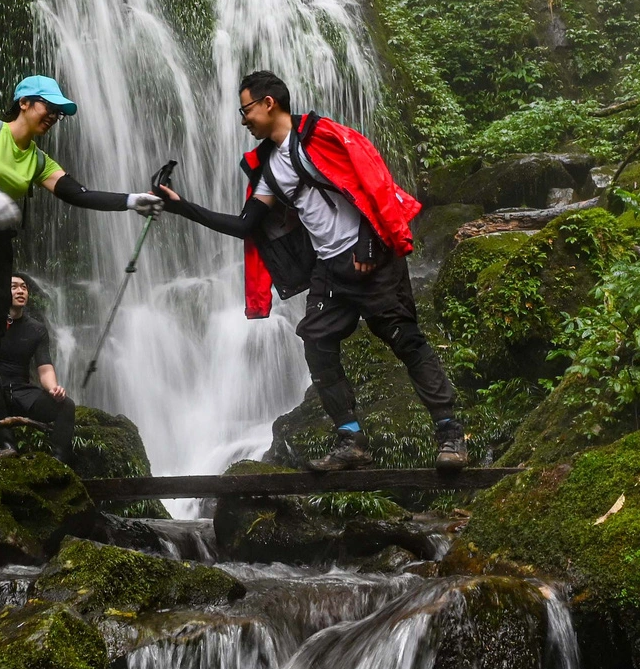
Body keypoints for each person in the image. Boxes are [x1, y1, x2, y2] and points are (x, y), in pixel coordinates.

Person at [156, 70, 468, 471]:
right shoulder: (268, 167)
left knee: (405, 340)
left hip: (371, 260)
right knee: (316, 341)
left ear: (269, 103)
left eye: (246, 109)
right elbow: (246, 225)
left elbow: (372, 179)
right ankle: (351, 439)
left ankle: (449, 433)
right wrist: (181, 205)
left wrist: (370, 241)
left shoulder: (320, 136)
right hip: (330, 270)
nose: (242, 119)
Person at [0, 75, 162, 470]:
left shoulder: (36, 160)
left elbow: (78, 194)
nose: (54, 116)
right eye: (49, 107)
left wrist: (133, 201)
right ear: (26, 103)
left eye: (59, 112)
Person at [0, 274, 77, 461]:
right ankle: (6, 447)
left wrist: (54, 389)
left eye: (24, 287)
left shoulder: (36, 329)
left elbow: (45, 368)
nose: (20, 291)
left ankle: (58, 461)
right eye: (14, 287)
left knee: (66, 405)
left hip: (21, 391)